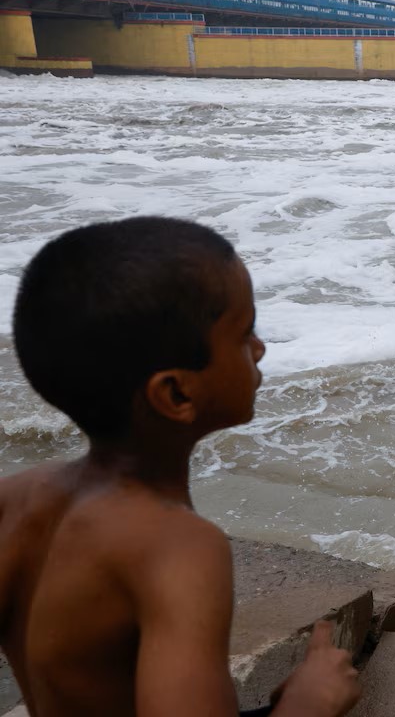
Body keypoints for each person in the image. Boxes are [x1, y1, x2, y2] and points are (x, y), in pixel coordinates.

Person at [1, 216, 361, 717]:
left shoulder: (15, 498)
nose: (260, 348)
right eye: (243, 333)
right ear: (175, 393)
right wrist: (309, 702)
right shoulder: (179, 548)